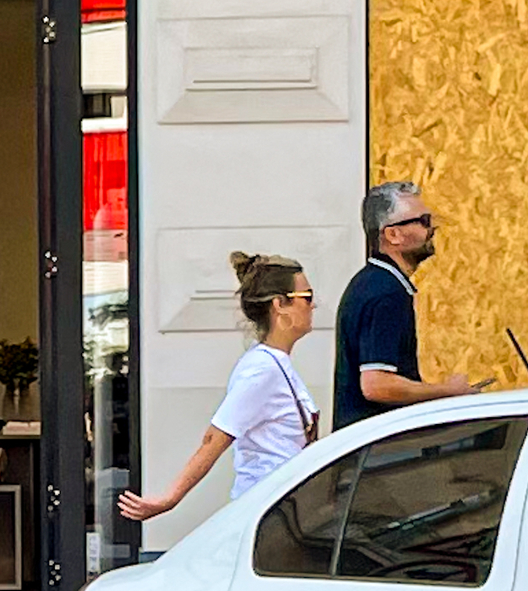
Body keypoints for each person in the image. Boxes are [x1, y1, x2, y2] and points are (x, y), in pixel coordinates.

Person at [120, 252, 317, 521]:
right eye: (306, 297)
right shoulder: (263, 370)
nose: (312, 306)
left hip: (280, 507)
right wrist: (170, 499)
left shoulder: (273, 365)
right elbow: (216, 437)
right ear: (279, 304)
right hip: (268, 511)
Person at [332, 180, 476, 430]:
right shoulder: (385, 293)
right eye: (422, 221)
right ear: (393, 234)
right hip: (377, 453)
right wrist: (447, 391)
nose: (431, 229)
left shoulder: (374, 283)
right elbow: (377, 385)